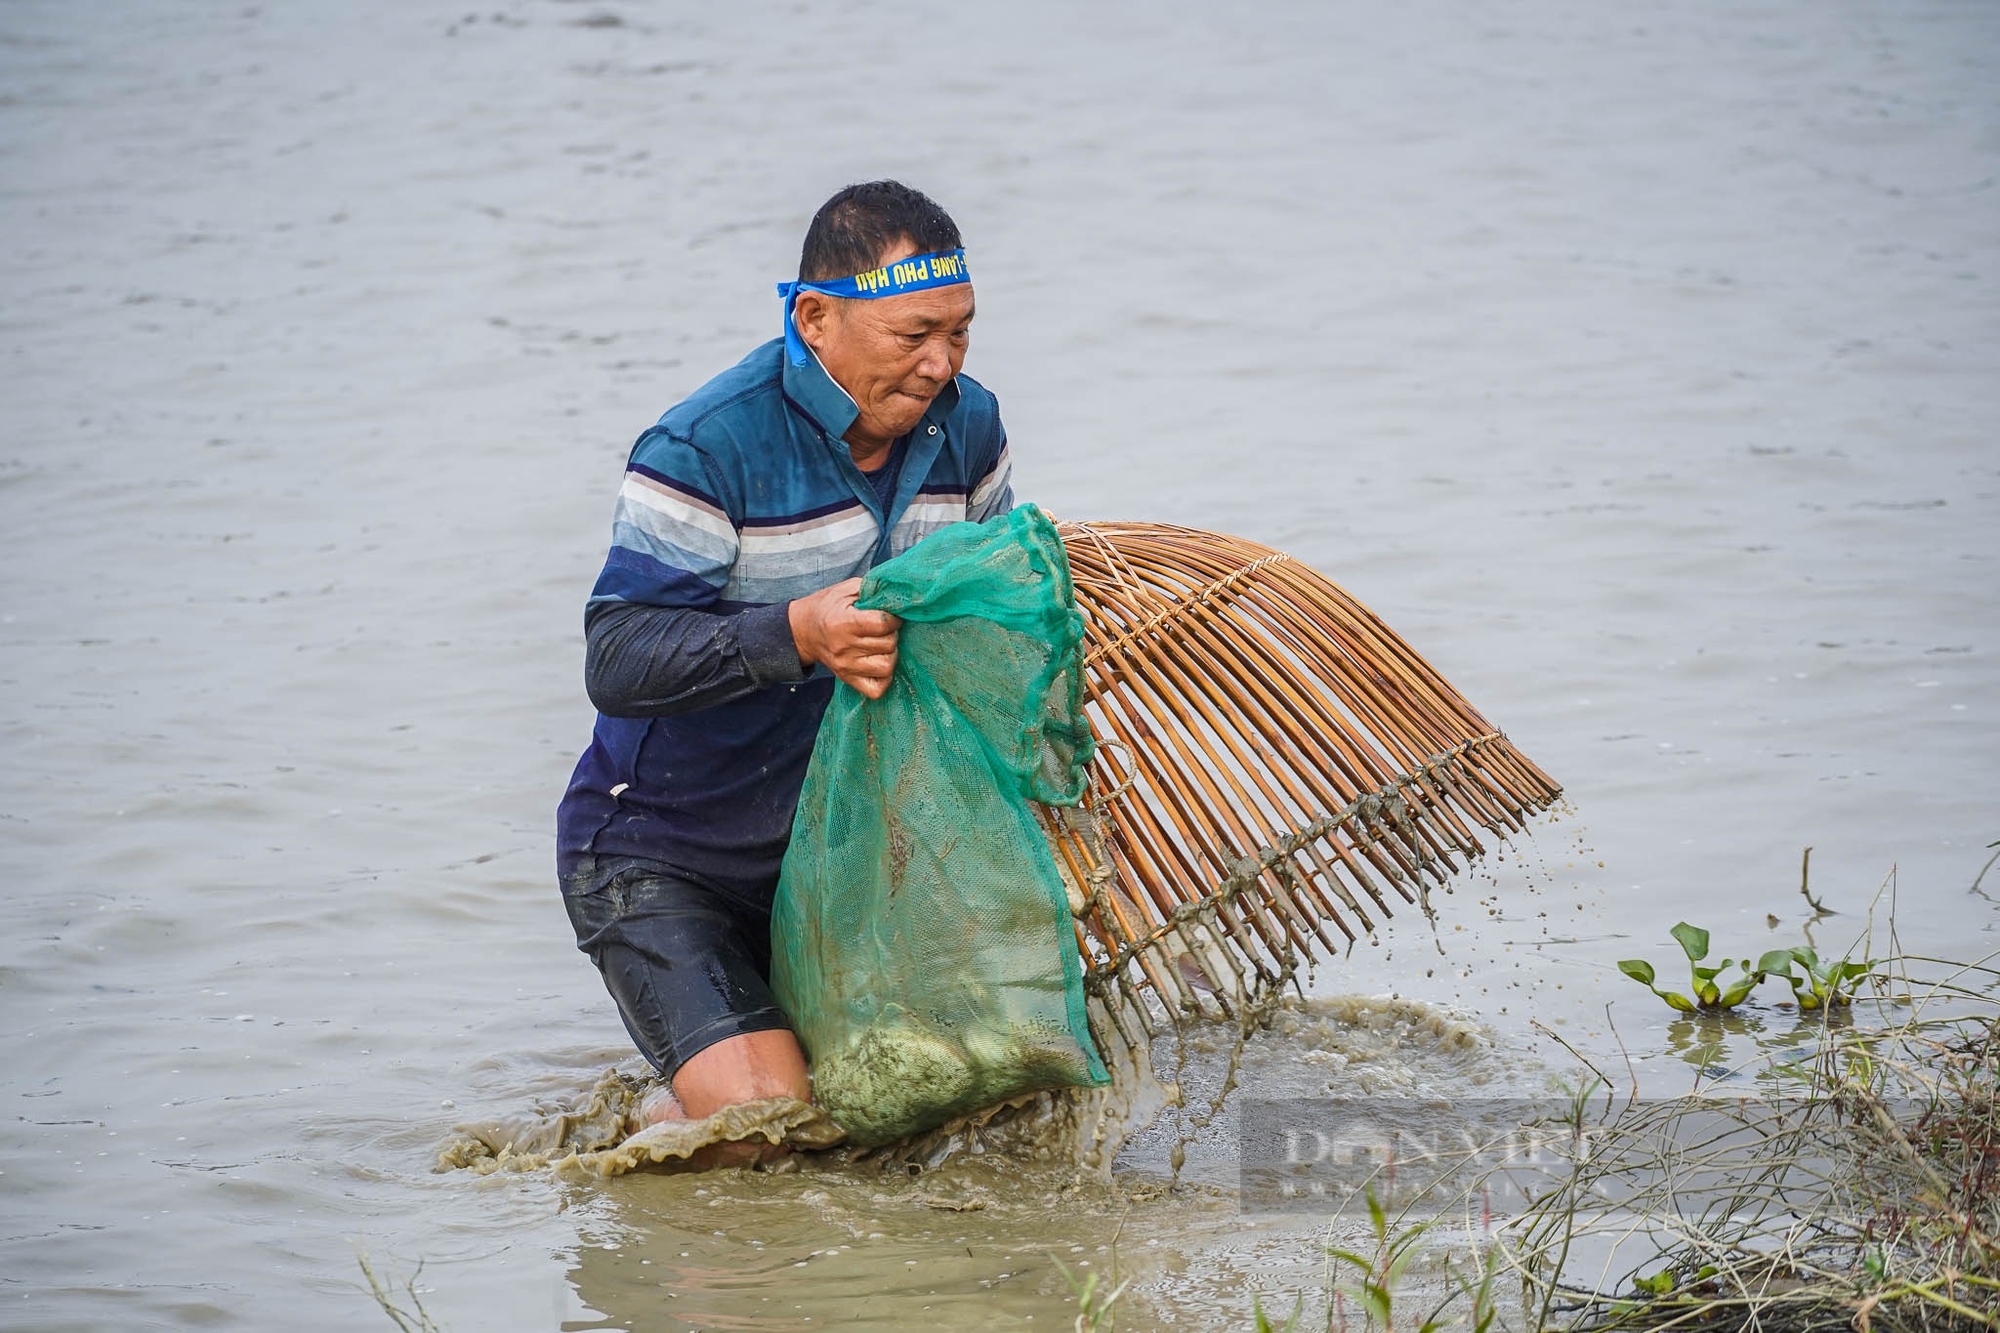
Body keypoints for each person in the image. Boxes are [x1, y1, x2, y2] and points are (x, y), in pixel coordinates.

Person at [555, 181, 1012, 1143]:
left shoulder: (970, 429)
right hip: (663, 851)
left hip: (840, 847)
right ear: (815, 318)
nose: (942, 365)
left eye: (960, 334)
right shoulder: (705, 446)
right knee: (770, 1133)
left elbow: (996, 623)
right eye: (912, 334)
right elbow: (618, 654)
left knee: (961, 1108)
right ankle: (656, 1116)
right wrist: (794, 632)